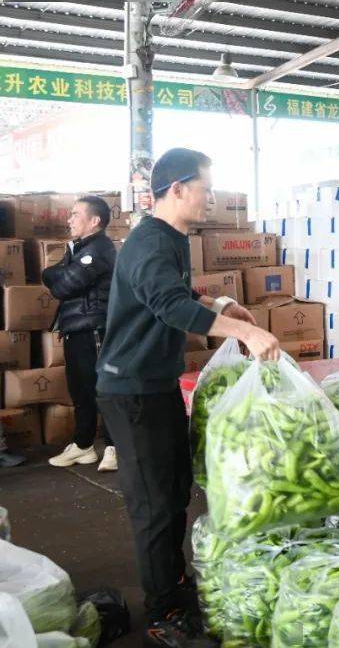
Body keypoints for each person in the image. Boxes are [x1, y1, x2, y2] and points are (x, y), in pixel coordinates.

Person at [96, 148, 281, 648]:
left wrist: (221, 303)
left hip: (153, 383)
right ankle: (160, 612)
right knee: (155, 504)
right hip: (131, 389)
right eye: (204, 187)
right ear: (176, 189)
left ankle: (172, 585)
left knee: (174, 489)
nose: (211, 198)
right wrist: (246, 335)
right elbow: (168, 305)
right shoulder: (151, 242)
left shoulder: (171, 239)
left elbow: (177, 291)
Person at [42, 195, 118, 472]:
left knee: (102, 389)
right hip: (77, 328)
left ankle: (114, 447)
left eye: (75, 214)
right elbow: (55, 276)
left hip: (93, 329)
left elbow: (64, 286)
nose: (69, 219)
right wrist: (57, 273)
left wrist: (57, 275)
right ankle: (84, 445)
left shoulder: (99, 249)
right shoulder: (78, 248)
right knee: (82, 391)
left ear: (94, 220)